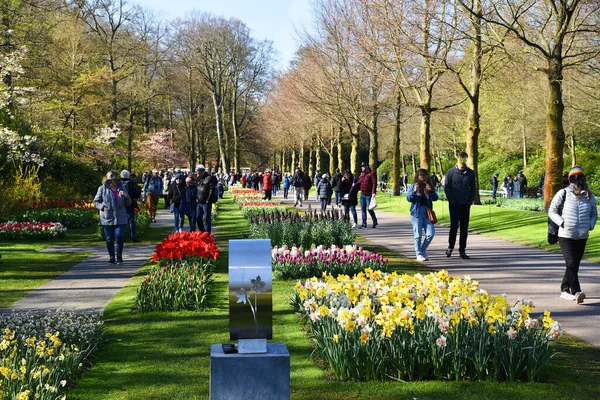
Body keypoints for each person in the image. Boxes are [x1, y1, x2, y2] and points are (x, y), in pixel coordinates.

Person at [549, 165, 597, 304]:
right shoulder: (562, 193)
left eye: (580, 180)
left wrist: (590, 225)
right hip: (566, 235)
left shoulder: (589, 196)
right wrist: (562, 222)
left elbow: (594, 213)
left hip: (582, 235)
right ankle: (576, 291)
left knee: (573, 265)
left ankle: (564, 290)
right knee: (571, 262)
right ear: (570, 180)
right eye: (575, 180)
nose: (578, 184)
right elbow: (552, 211)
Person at [93, 171, 131, 264]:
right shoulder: (102, 188)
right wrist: (102, 207)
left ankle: (119, 256)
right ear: (106, 177)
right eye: (110, 176)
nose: (112, 178)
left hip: (120, 217)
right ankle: (111, 257)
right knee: (109, 238)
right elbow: (96, 201)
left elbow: (129, 203)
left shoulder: (121, 188)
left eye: (114, 176)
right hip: (107, 217)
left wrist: (126, 196)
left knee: (119, 236)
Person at [444, 151, 476, 259]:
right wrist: (452, 200)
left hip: (465, 205)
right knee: (454, 227)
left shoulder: (471, 173)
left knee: (464, 228)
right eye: (461, 158)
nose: (463, 160)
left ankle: (462, 250)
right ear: (458, 159)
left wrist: (469, 201)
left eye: (464, 158)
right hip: (454, 205)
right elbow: (447, 188)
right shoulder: (451, 172)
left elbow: (473, 189)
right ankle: (450, 247)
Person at [407, 169, 438, 261]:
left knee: (430, 233)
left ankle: (423, 250)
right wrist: (414, 191)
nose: (422, 177)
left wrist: (431, 191)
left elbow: (435, 198)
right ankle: (418, 254)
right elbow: (409, 198)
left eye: (424, 175)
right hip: (416, 213)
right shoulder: (413, 186)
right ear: (417, 176)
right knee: (418, 235)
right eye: (420, 175)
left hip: (427, 214)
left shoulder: (428, 186)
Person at [354, 161, 378, 229]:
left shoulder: (372, 173)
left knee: (369, 209)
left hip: (369, 194)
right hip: (362, 194)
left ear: (367, 166)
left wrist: (373, 192)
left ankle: (375, 221)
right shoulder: (362, 174)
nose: (362, 168)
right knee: (363, 210)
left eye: (363, 166)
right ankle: (364, 224)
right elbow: (359, 181)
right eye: (361, 166)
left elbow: (374, 183)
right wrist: (355, 185)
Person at [120, 170, 141, 243]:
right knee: (131, 221)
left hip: (121, 203)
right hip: (130, 202)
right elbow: (138, 190)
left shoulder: (118, 183)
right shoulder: (132, 183)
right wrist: (135, 197)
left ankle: (122, 237)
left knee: (121, 221)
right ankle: (133, 237)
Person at [196, 165, 216, 233]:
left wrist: (208, 199)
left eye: (198, 172)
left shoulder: (208, 178)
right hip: (199, 201)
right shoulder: (198, 179)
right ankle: (202, 231)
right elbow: (196, 189)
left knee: (206, 218)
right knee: (198, 217)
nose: (197, 173)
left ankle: (207, 233)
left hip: (206, 202)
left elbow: (211, 189)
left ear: (203, 172)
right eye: (197, 172)